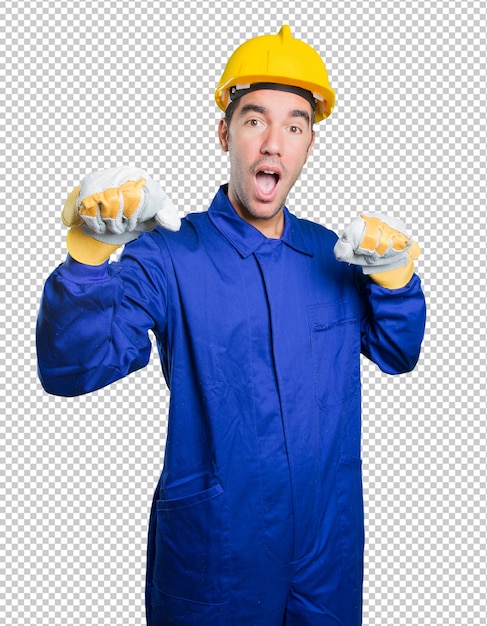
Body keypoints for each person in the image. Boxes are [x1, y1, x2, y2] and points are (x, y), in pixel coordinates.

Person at [37, 25, 426, 626]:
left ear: (309, 145)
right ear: (224, 132)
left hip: (327, 551)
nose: (273, 144)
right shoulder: (170, 253)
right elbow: (72, 368)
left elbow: (399, 353)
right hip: (215, 553)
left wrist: (396, 280)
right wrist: (88, 260)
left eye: (294, 126)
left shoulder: (336, 254)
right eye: (254, 121)